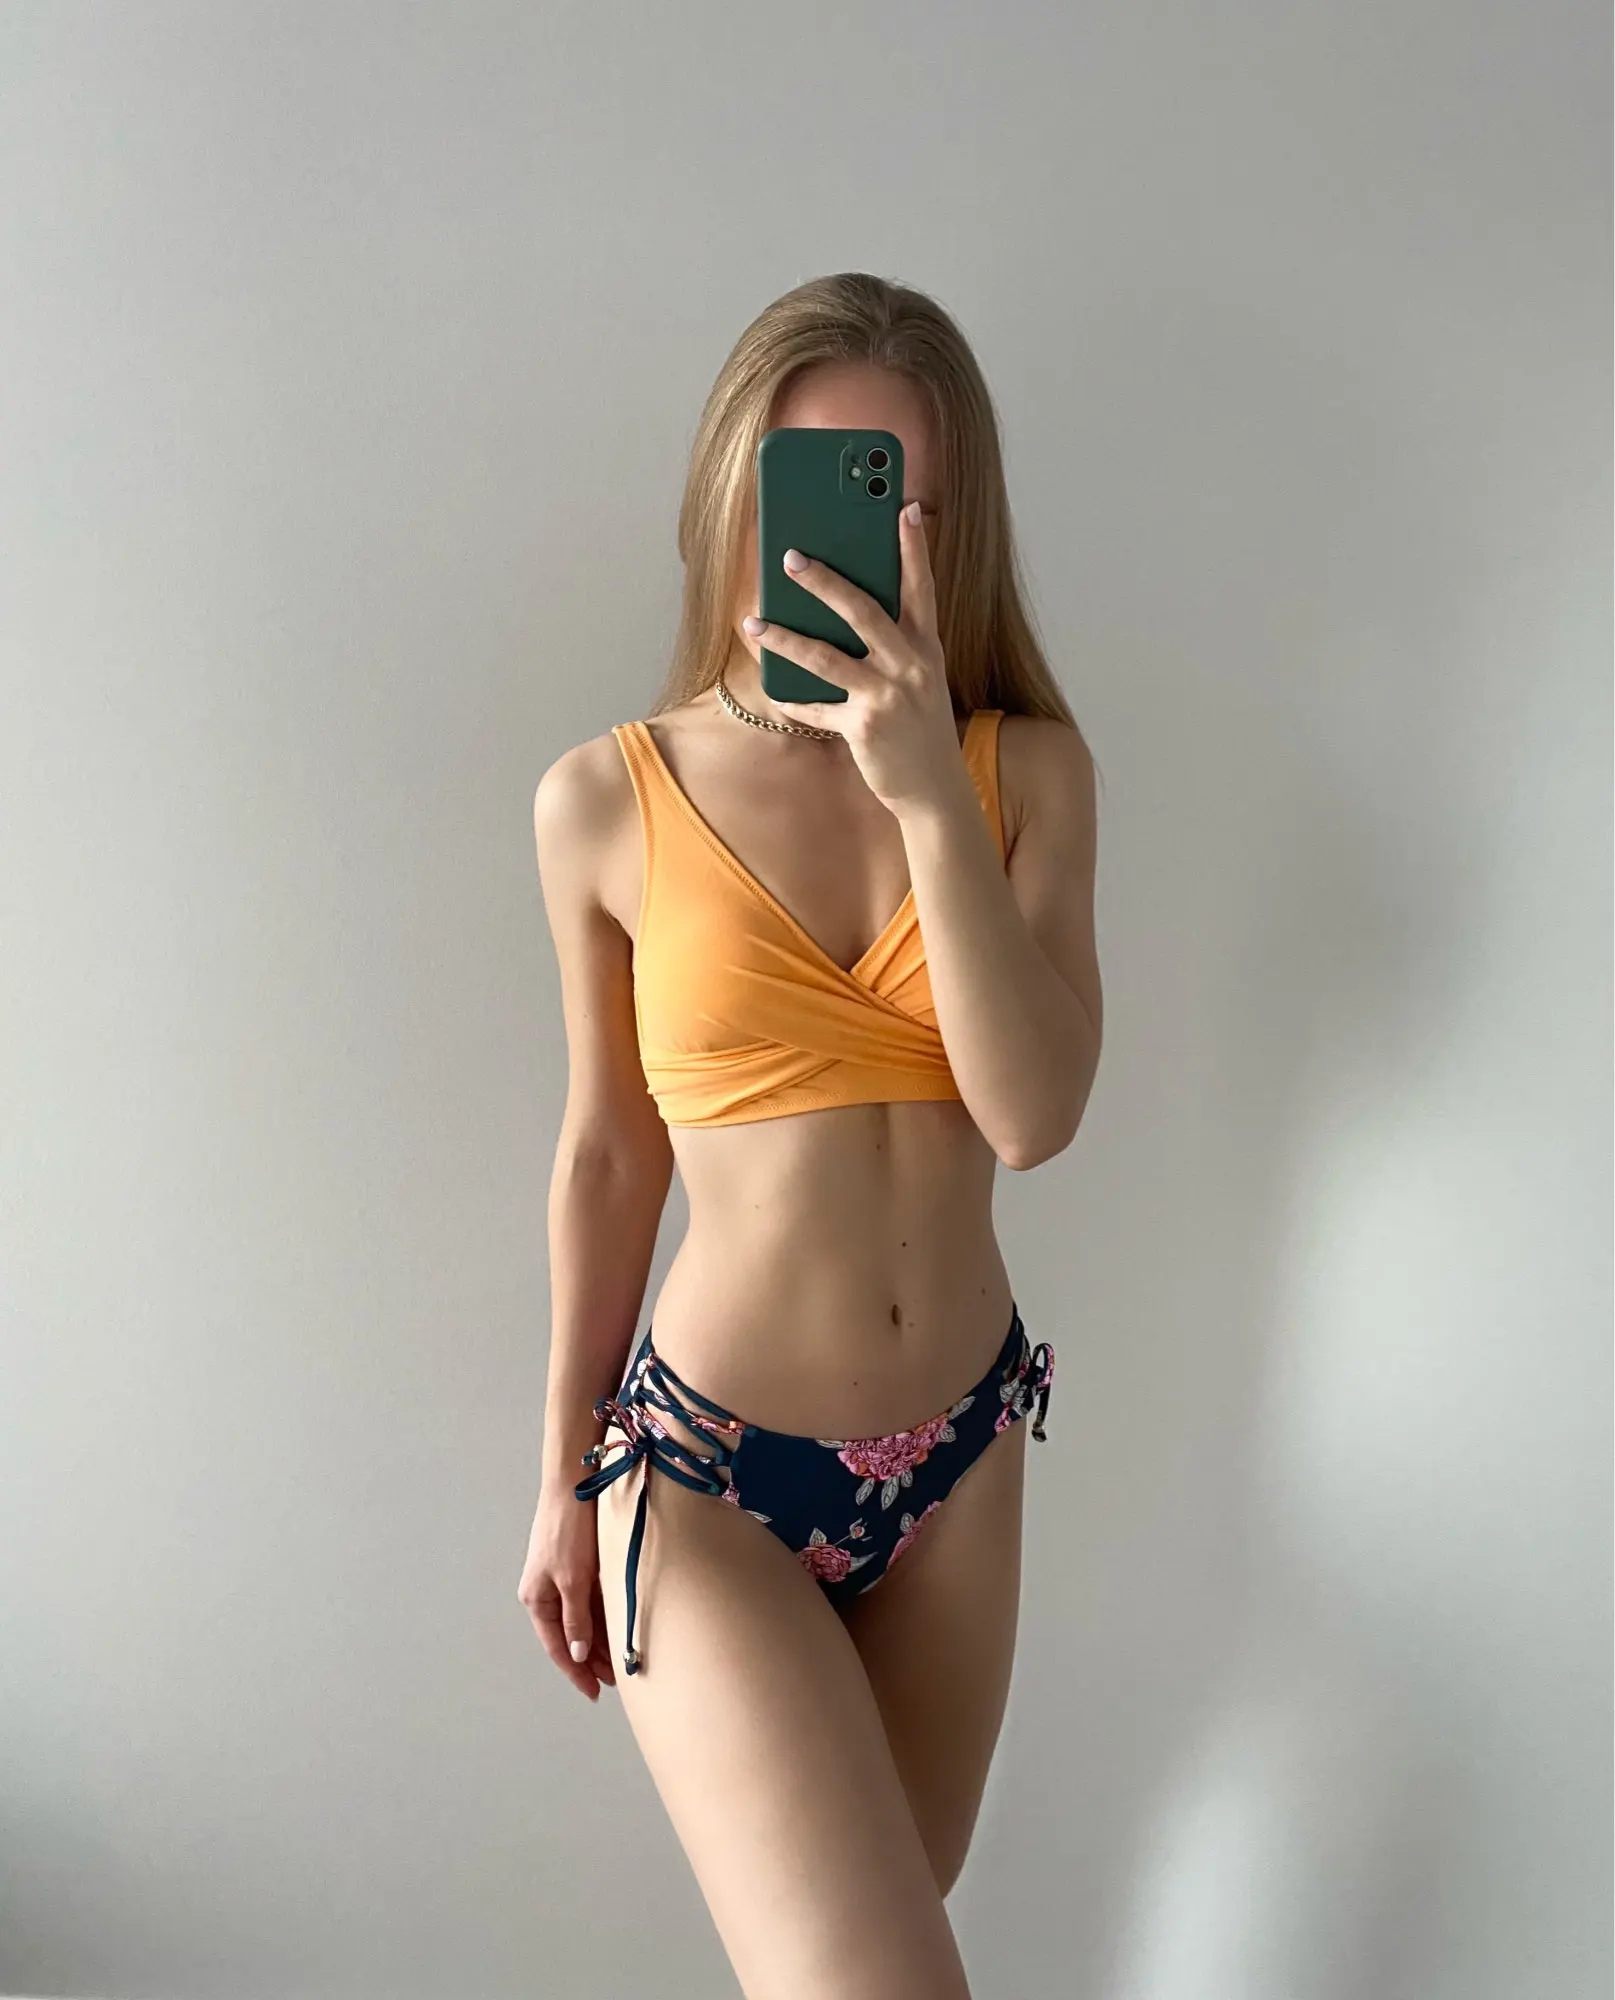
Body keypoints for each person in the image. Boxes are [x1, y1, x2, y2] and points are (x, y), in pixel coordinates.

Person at [518, 271, 1103, 2000]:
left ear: (951, 527)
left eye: (898, 496)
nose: (849, 539)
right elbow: (608, 1156)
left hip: (962, 1463)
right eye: (814, 482)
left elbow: (1033, 1115)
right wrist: (556, 1476)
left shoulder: (1025, 777)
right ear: (733, 489)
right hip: (705, 1479)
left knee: (874, 1945)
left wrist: (923, 789)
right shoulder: (604, 799)